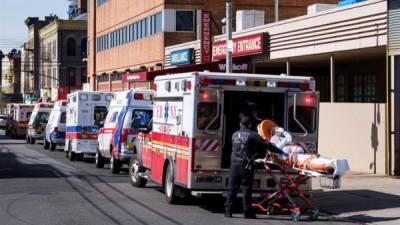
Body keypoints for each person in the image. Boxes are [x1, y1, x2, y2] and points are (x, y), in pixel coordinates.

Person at [225, 116, 285, 219]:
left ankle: (228, 212)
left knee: (232, 189)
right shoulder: (253, 135)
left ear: (240, 124)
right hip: (246, 165)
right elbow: (266, 145)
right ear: (250, 125)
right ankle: (247, 213)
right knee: (246, 189)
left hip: (234, 164)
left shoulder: (234, 134)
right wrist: (281, 151)